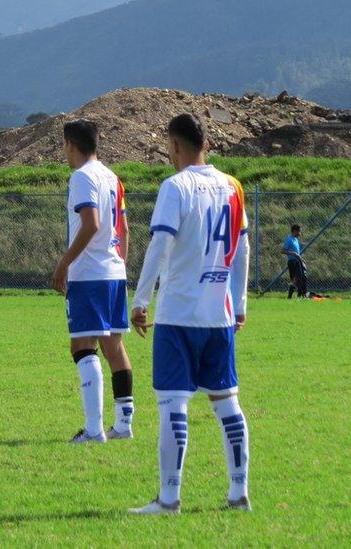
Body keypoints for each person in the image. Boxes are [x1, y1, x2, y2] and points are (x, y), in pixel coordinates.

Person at [129, 114, 252, 515]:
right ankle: (238, 493)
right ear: (208, 141)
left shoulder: (174, 186)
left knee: (172, 403)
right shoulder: (233, 186)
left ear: (175, 145)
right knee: (227, 403)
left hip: (178, 313)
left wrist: (141, 299)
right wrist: (240, 302)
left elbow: (160, 244)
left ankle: (169, 498)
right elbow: (243, 248)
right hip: (219, 315)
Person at [50, 119, 134, 444]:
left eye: (64, 146)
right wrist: (118, 265)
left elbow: (91, 223)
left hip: (89, 275)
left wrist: (64, 263)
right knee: (114, 345)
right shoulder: (112, 177)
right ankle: (124, 424)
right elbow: (123, 229)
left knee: (82, 345)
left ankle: (94, 430)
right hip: (114, 272)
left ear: (71, 145)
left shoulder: (82, 176)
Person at [282, 224, 305, 299]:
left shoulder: (295, 240)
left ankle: (300, 295)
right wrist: (293, 254)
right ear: (295, 231)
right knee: (295, 279)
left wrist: (300, 257)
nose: (300, 233)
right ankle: (291, 294)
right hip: (292, 262)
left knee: (300, 278)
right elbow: (283, 251)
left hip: (297, 261)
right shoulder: (289, 239)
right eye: (299, 231)